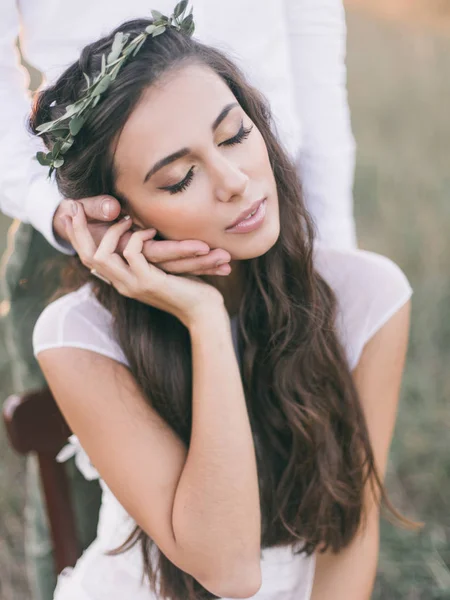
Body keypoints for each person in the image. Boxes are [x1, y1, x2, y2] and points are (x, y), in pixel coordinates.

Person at [29, 7, 415, 600]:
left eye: (234, 135)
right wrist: (205, 321)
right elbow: (229, 572)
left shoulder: (369, 299)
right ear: (120, 218)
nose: (235, 180)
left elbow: (349, 544)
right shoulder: (77, 337)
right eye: (180, 178)